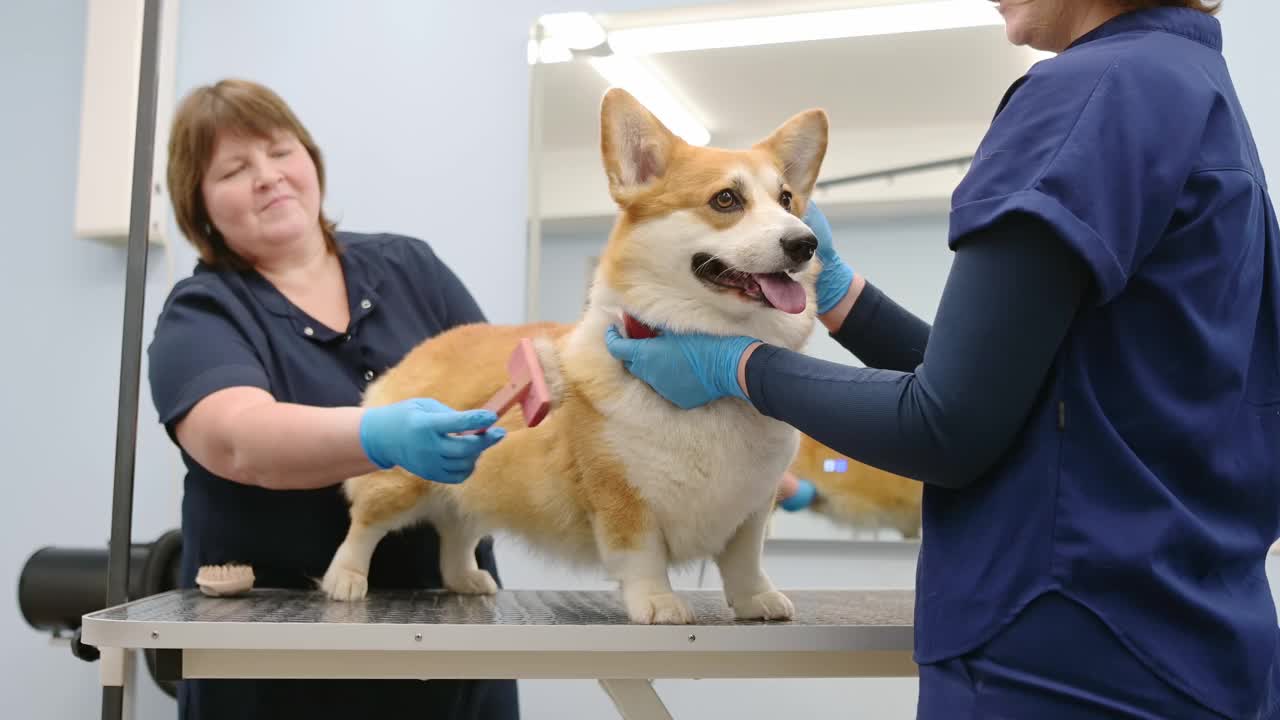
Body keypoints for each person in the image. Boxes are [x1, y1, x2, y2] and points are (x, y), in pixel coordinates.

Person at [605, 1, 1280, 718]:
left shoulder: (1087, 94)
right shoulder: (1193, 88)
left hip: (1066, 654)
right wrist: (840, 296)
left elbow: (946, 428)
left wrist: (736, 367)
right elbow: (1014, 393)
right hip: (1197, 643)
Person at [147, 78, 516, 720]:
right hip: (278, 673)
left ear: (311, 160)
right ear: (199, 206)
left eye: (280, 150)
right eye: (235, 168)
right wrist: (376, 437)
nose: (268, 176)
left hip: (450, 651)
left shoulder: (411, 268)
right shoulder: (202, 314)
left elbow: (500, 384)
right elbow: (240, 440)